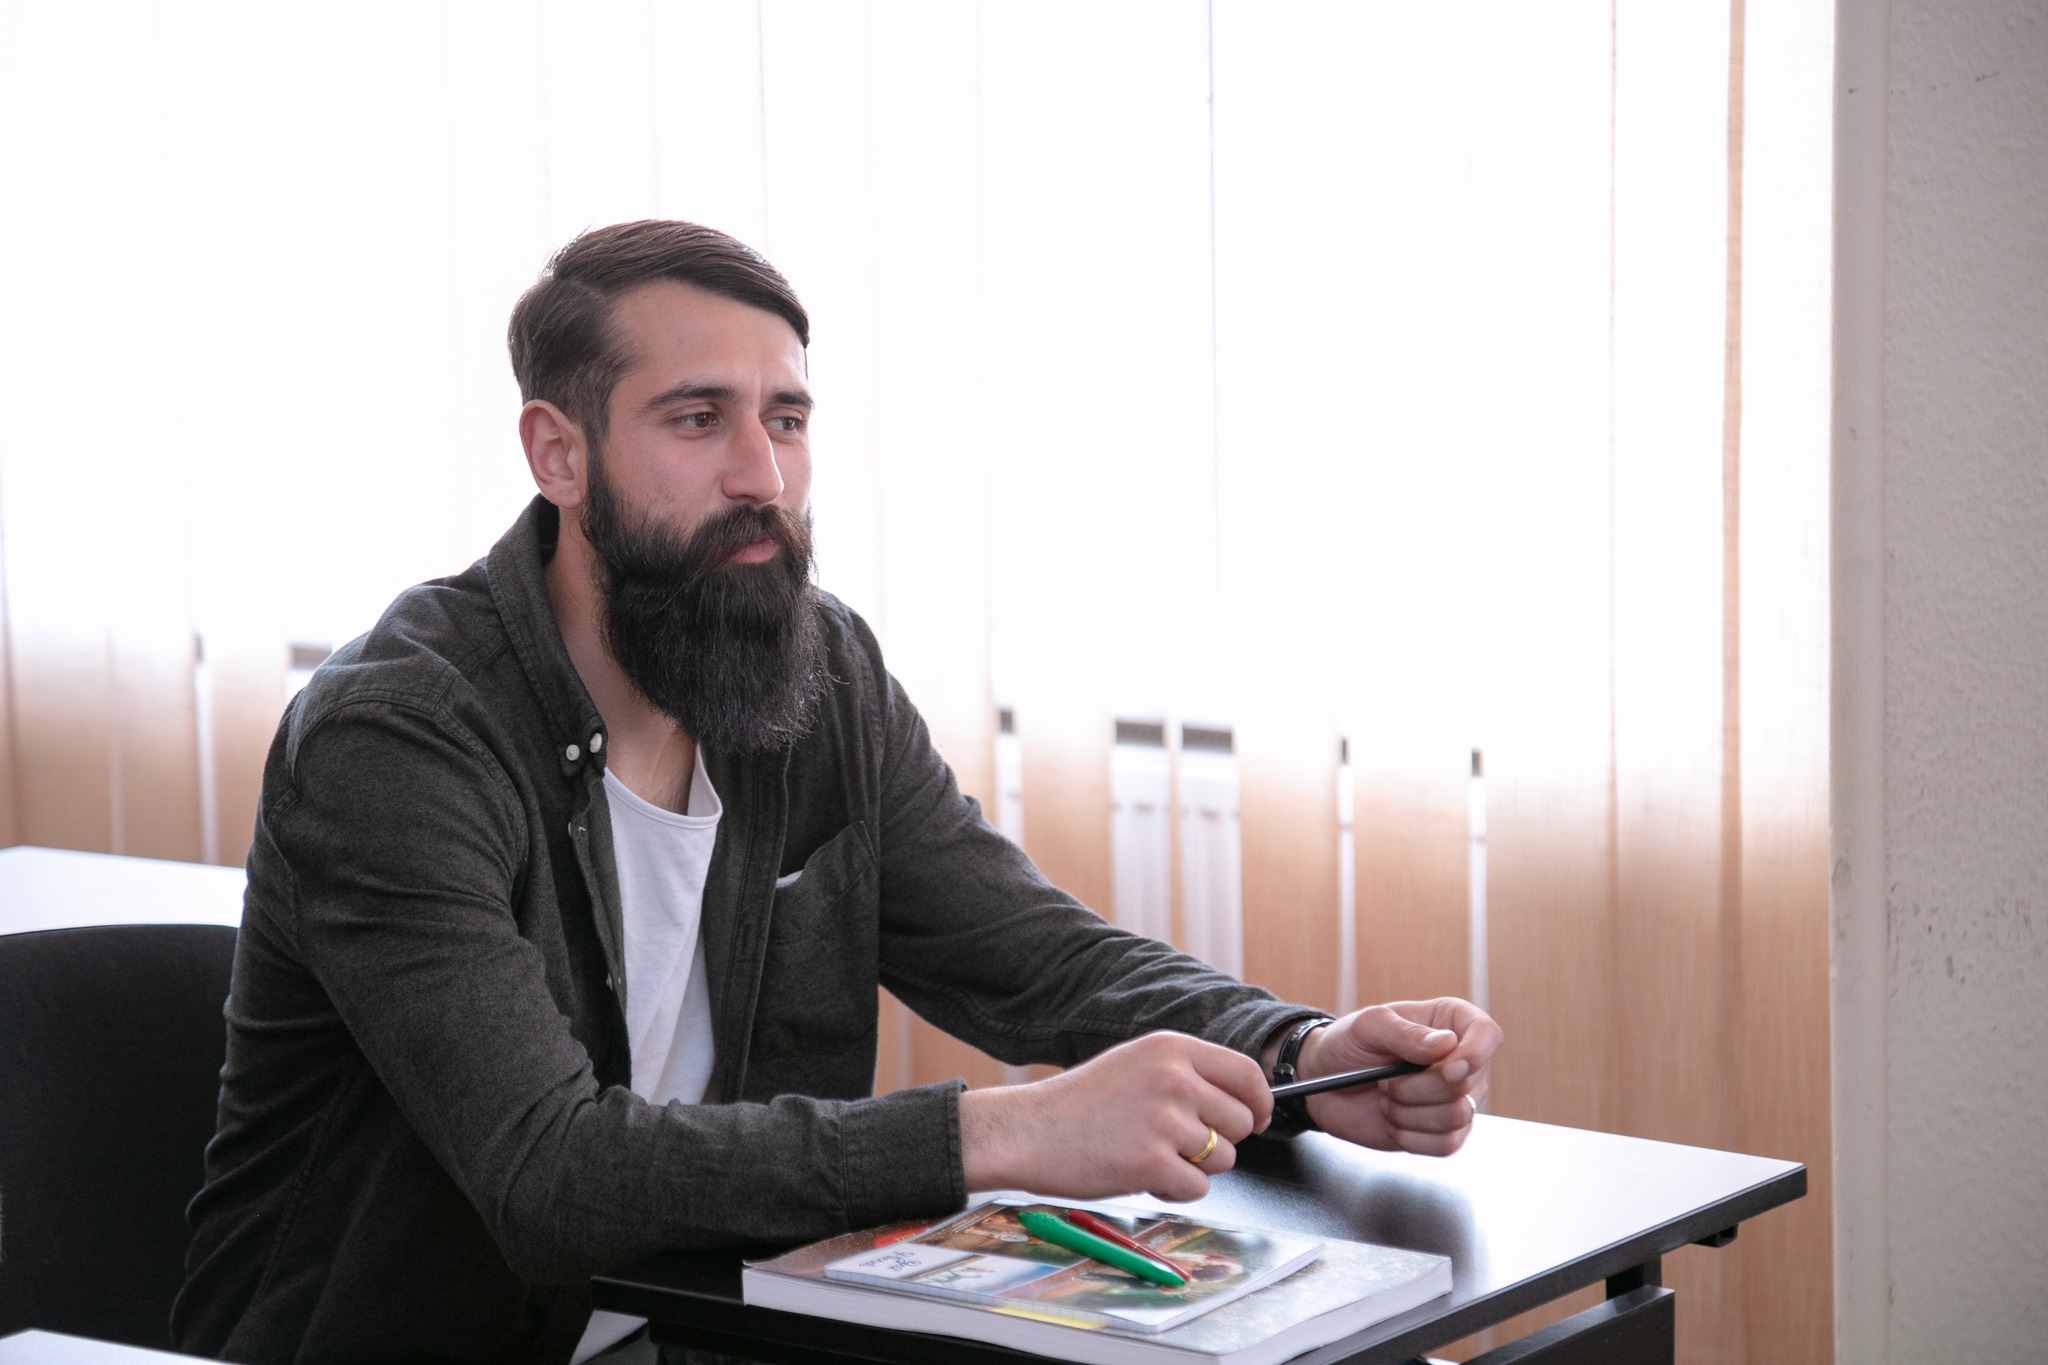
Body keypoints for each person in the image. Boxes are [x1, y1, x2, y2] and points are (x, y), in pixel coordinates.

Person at [172, 220, 1502, 1365]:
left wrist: (1303, 1054)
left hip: (710, 1335)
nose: (763, 475)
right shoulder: (398, 738)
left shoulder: (812, 671)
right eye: (698, 418)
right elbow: (552, 1174)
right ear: (557, 454)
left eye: (788, 420)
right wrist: (1005, 1132)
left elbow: (1027, 951)